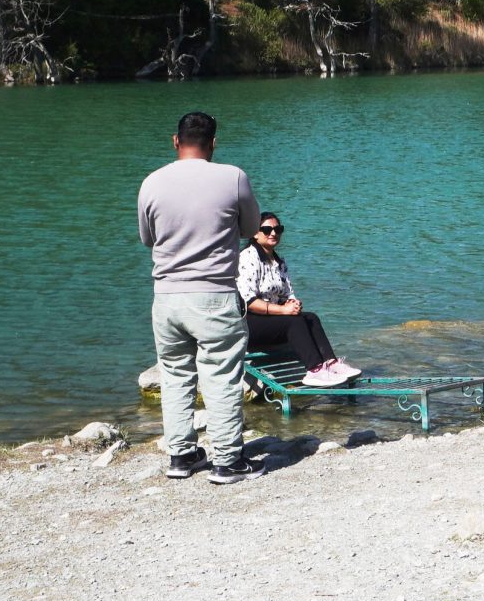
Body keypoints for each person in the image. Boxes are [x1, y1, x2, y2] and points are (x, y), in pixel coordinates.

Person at [138, 110, 262, 484]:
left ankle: (182, 456)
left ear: (176, 141)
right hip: (214, 295)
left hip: (167, 298)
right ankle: (227, 461)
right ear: (213, 143)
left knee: (175, 375)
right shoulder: (233, 177)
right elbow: (251, 228)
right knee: (221, 377)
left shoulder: (151, 182)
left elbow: (147, 238)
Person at [237, 213, 361, 387]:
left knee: (310, 318)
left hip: (271, 319)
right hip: (247, 324)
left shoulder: (278, 262)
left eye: (278, 229)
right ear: (255, 234)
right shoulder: (247, 257)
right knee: (293, 323)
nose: (273, 233)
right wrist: (283, 310)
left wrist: (293, 304)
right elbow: (248, 302)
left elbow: (288, 294)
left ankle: (331, 364)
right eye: (267, 229)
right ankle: (314, 370)